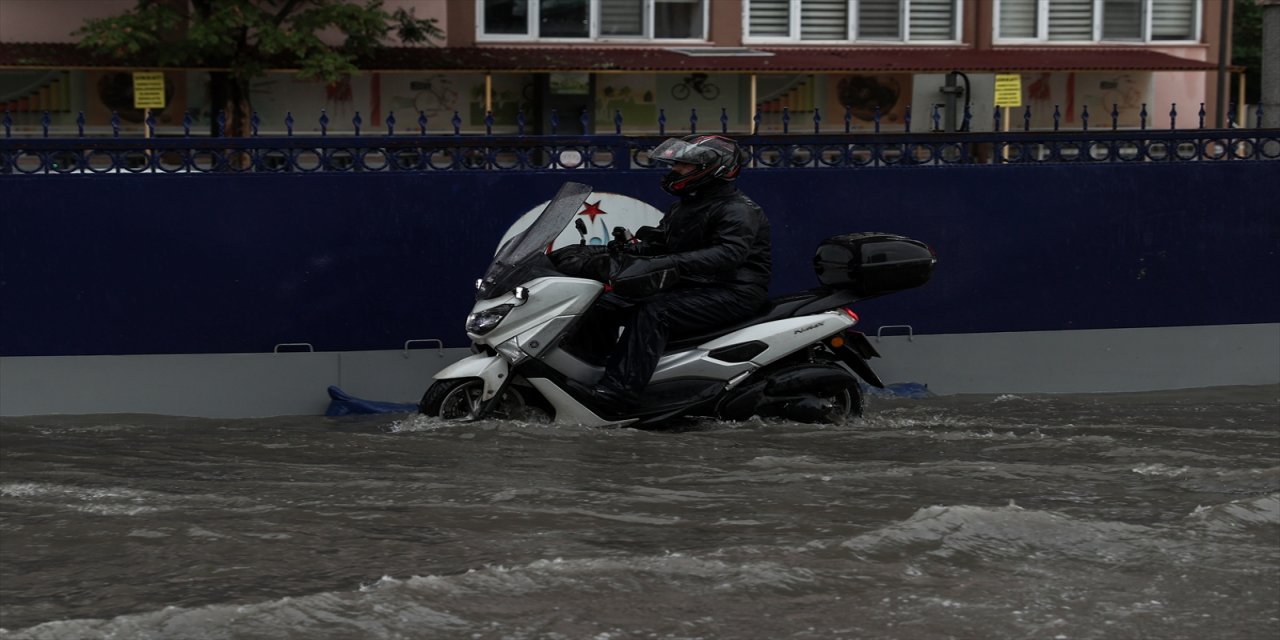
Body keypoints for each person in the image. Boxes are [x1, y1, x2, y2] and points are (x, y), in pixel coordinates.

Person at [583, 134, 772, 409]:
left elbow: (729, 253)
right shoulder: (688, 205)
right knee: (602, 303)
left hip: (733, 290)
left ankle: (618, 394)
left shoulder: (738, 210)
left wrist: (672, 263)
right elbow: (662, 242)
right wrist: (621, 251)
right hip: (695, 284)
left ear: (712, 169)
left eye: (684, 165)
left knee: (655, 312)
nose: (675, 169)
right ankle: (593, 369)